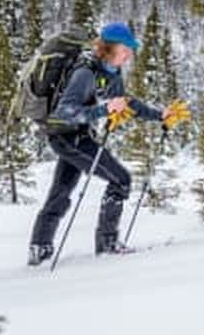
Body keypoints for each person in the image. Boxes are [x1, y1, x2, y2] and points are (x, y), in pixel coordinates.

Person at [27, 22, 175, 265]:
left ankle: (39, 247)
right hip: (67, 136)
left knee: (61, 192)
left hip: (76, 135)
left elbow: (125, 103)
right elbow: (65, 112)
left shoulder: (111, 72)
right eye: (124, 48)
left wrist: (160, 115)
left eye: (130, 49)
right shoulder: (85, 73)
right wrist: (103, 109)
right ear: (107, 48)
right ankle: (107, 244)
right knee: (121, 179)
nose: (128, 54)